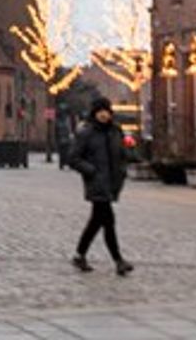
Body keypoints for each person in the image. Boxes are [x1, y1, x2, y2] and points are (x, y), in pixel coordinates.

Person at [64, 99, 134, 275]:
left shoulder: (115, 131)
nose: (103, 114)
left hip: (112, 182)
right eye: (100, 111)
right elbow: (73, 158)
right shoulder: (86, 133)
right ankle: (118, 260)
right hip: (96, 182)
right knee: (108, 221)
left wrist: (126, 162)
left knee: (96, 221)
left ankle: (79, 255)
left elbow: (123, 153)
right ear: (94, 113)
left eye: (106, 111)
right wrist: (91, 171)